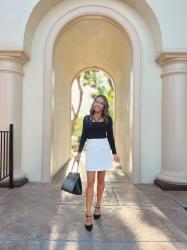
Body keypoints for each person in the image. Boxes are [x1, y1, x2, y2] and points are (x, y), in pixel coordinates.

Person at [74, 95, 120, 231]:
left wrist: (114, 152)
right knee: (90, 182)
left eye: (101, 103)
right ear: (94, 103)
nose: (98, 104)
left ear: (104, 106)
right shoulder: (87, 119)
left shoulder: (108, 119)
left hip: (103, 150)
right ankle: (88, 213)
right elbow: (83, 136)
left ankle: (98, 206)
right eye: (97, 102)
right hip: (92, 150)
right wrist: (79, 152)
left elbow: (110, 136)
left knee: (101, 181)